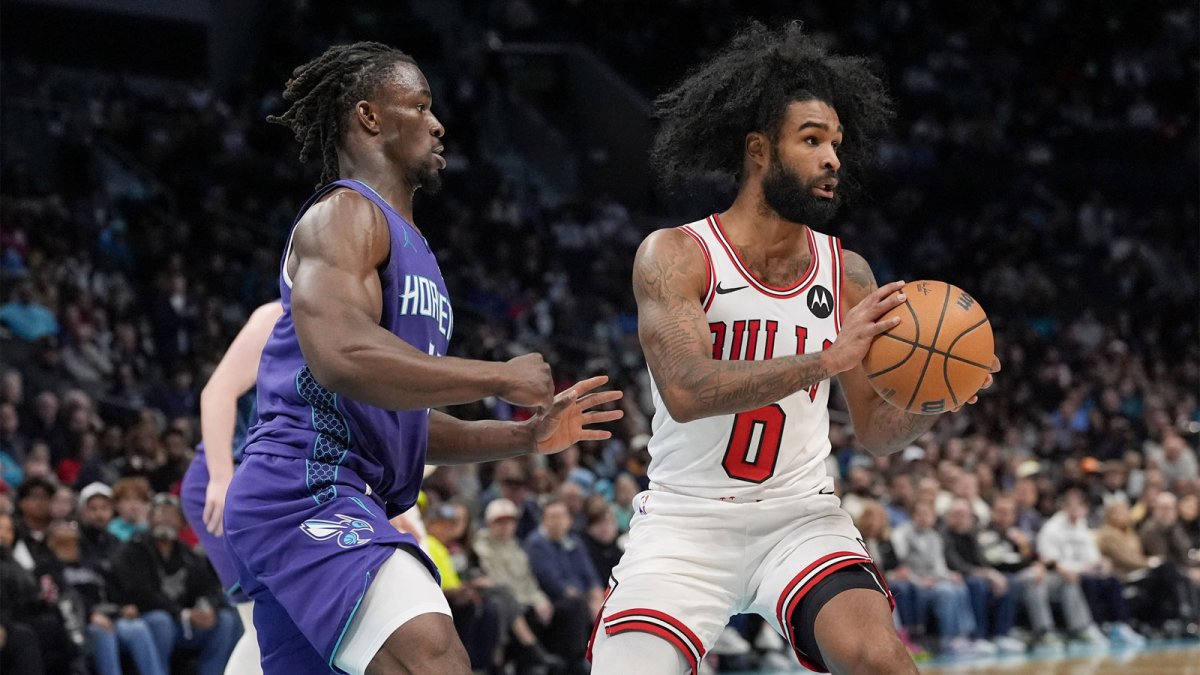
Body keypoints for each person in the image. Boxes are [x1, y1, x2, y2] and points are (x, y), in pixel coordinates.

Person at [588, 22, 997, 675]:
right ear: (759, 150)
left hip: (799, 518)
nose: (833, 157)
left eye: (837, 143)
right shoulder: (677, 255)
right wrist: (824, 360)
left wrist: (936, 394)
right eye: (811, 140)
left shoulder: (849, 274)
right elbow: (688, 390)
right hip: (686, 521)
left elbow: (878, 432)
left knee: (883, 660)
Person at [221, 41, 623, 675]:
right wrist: (494, 375)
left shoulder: (412, 247)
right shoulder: (342, 214)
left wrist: (525, 437)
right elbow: (341, 355)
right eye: (420, 105)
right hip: (305, 486)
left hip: (339, 492)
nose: (438, 123)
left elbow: (406, 421)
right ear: (370, 117)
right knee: (435, 655)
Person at [179, 300, 282, 675]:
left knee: (276, 625)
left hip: (261, 487)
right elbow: (217, 392)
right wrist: (222, 479)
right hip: (223, 482)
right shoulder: (278, 315)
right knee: (271, 623)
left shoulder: (341, 324)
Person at [111, 495, 239, 675]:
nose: (165, 518)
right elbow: (140, 593)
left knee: (225, 619)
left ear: (182, 522)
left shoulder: (187, 553)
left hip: (184, 623)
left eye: (172, 515)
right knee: (160, 620)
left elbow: (208, 586)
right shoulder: (134, 548)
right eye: (159, 513)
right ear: (149, 519)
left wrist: (208, 607)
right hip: (152, 619)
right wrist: (180, 613)